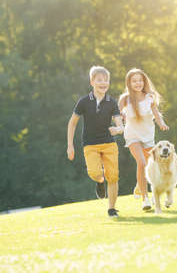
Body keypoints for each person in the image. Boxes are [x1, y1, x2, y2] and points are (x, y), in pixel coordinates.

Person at [67, 66, 124, 218]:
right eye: (99, 80)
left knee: (113, 176)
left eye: (106, 80)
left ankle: (112, 209)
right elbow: (72, 123)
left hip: (109, 144)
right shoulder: (84, 102)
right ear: (92, 82)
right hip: (90, 145)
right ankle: (99, 181)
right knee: (94, 172)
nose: (103, 83)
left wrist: (118, 130)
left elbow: (120, 125)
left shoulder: (112, 103)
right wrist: (70, 146)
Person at [118, 68, 169, 210]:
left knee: (148, 165)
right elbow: (117, 115)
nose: (138, 83)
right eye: (134, 81)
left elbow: (156, 114)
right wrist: (119, 122)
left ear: (144, 82)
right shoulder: (125, 99)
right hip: (132, 135)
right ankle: (145, 199)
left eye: (140, 80)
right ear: (129, 83)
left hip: (147, 135)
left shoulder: (149, 97)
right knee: (141, 162)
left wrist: (162, 124)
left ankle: (139, 185)